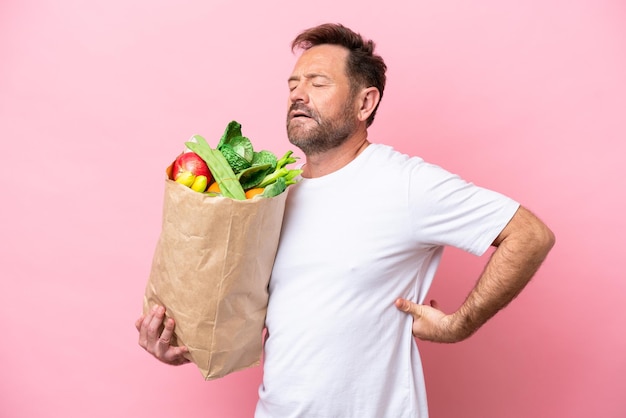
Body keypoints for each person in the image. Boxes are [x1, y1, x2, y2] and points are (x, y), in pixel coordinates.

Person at [136, 23, 555, 417]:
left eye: (318, 83)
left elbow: (530, 235)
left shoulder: (405, 183)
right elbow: (262, 319)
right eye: (293, 85)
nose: (299, 94)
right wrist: (185, 341)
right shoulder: (269, 198)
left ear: (365, 102)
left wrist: (459, 325)